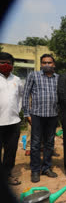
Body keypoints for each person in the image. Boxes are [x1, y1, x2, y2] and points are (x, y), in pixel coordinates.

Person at [22, 54, 59, 183]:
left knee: (49, 143)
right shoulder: (33, 75)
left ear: (54, 64)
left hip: (53, 115)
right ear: (40, 64)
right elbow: (26, 94)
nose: (47, 65)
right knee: (35, 144)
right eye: (44, 63)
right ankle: (35, 170)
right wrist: (26, 113)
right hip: (37, 115)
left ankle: (46, 168)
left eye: (49, 62)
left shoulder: (58, 78)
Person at [0, 52, 23, 186]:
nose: (6, 65)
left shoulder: (17, 80)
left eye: (9, 63)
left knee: (11, 151)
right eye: (2, 62)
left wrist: (17, 110)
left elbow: (20, 96)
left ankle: (7, 175)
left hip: (13, 122)